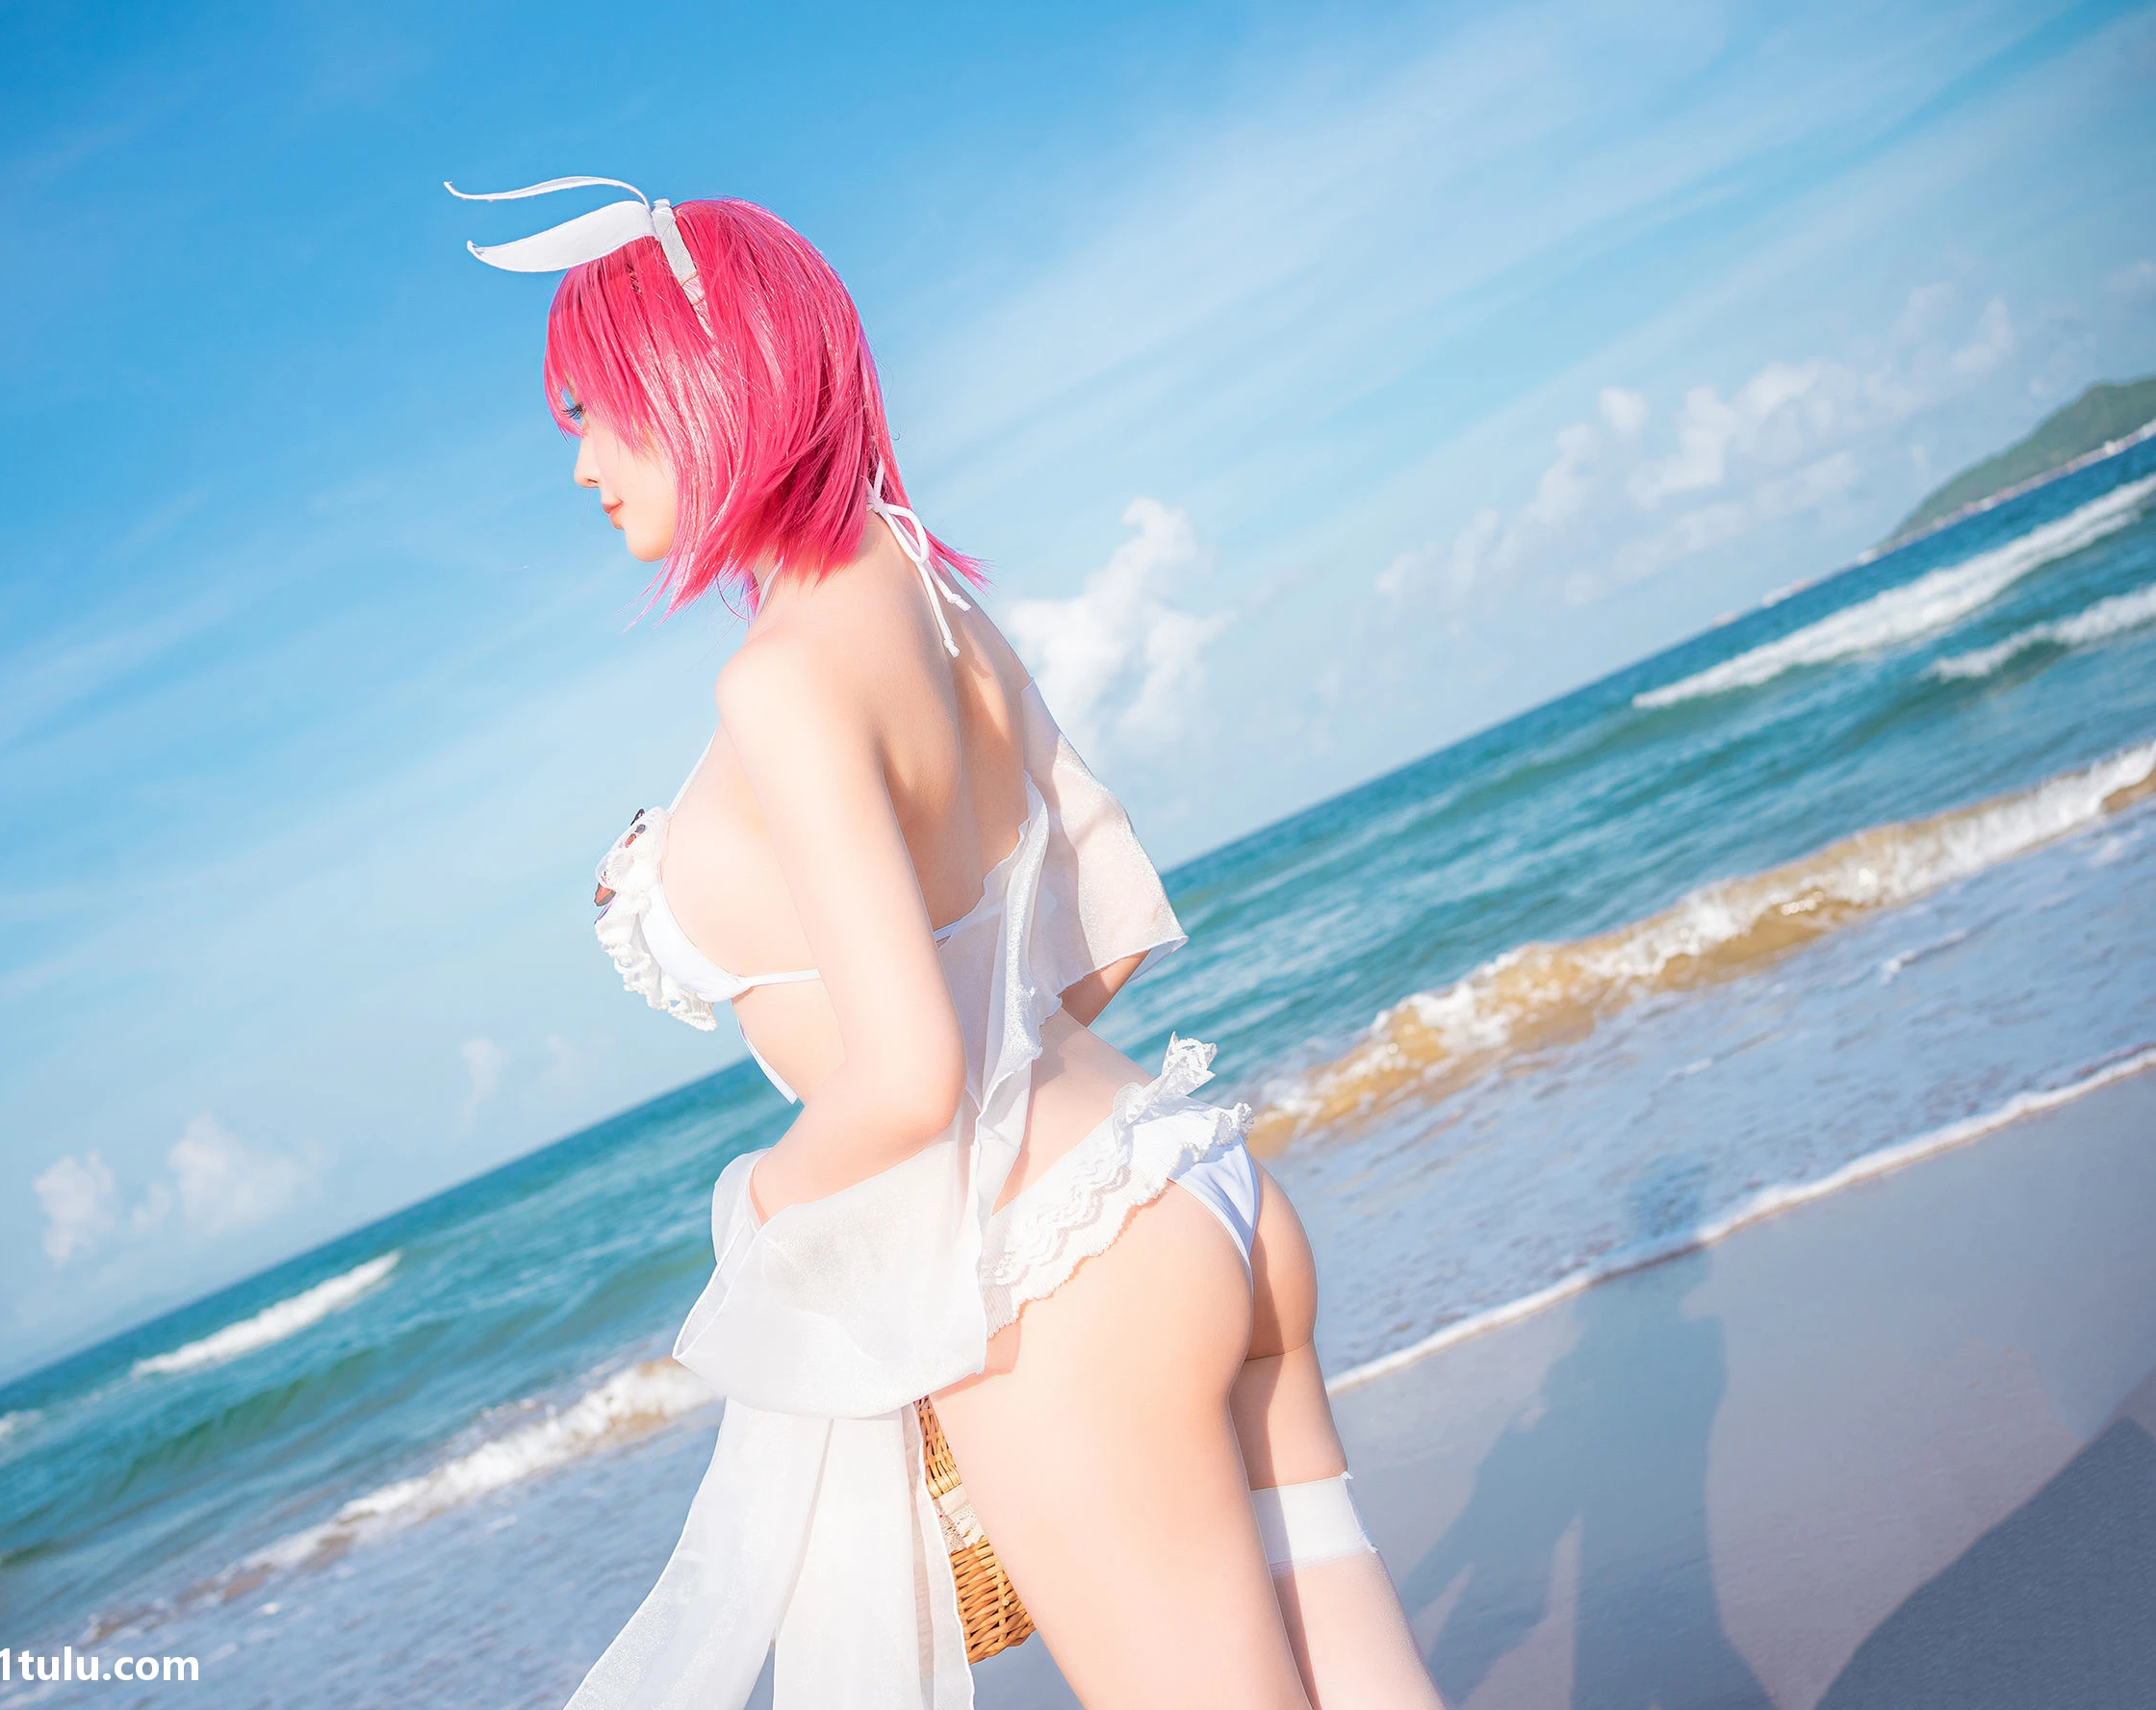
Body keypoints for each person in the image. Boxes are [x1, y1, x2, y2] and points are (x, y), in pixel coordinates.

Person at [451, 174, 1444, 1710]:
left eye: (599, 414)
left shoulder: (779, 683)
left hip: (1066, 1280)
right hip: (1194, 1183)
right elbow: (1103, 937)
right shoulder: (930, 595)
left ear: (704, 389)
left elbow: (912, 1076)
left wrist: (763, 1210)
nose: (580, 463)